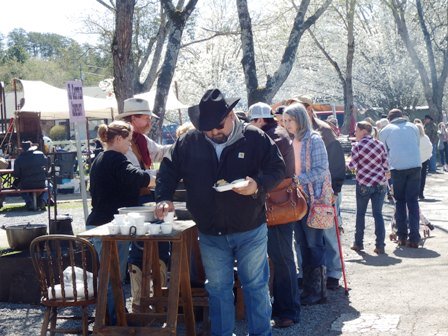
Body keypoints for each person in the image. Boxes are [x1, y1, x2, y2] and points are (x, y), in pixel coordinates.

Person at [155, 88, 285, 336]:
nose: (214, 133)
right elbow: (168, 170)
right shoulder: (189, 141)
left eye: (218, 126)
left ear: (231, 115)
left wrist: (257, 185)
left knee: (255, 285)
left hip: (250, 227)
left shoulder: (255, 137)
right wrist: (163, 198)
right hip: (210, 230)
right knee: (217, 288)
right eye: (208, 129)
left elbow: (277, 168)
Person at [86, 120, 152, 323]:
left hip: (101, 223)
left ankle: (114, 315)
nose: (130, 145)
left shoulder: (101, 158)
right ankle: (113, 320)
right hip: (108, 226)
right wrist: (155, 177)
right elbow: (137, 177)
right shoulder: (115, 158)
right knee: (111, 275)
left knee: (110, 274)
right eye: (128, 140)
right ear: (117, 139)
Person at [114, 97, 172, 312]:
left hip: (144, 198)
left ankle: (156, 298)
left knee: (158, 245)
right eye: (145, 117)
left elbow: (160, 152)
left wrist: (182, 144)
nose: (149, 121)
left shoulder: (142, 140)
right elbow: (134, 176)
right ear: (133, 118)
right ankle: (140, 301)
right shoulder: (126, 143)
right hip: (132, 201)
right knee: (139, 248)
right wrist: (156, 175)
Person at [247, 102, 300, 328]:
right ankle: (283, 308)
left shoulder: (274, 137)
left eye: (251, 122)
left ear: (259, 120)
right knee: (280, 258)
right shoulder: (275, 133)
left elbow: (266, 170)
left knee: (282, 259)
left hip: (277, 204)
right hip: (276, 203)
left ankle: (287, 310)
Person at [293, 96, 346, 292]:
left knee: (329, 233)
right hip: (302, 195)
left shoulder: (323, 130)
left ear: (307, 109)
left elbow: (335, 162)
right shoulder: (293, 132)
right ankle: (307, 275)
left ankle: (333, 273)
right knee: (304, 239)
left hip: (325, 191)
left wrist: (336, 189)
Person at [283, 102, 331, 305]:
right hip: (296, 201)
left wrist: (297, 179)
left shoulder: (314, 140)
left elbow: (321, 169)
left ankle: (318, 291)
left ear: (300, 119)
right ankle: (308, 288)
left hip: (313, 199)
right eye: (284, 121)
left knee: (314, 245)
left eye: (289, 120)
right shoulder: (290, 140)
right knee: (302, 244)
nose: (286, 124)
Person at [379, 109, 421, 248]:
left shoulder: (385, 130)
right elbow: (417, 145)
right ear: (402, 117)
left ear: (390, 119)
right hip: (415, 167)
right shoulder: (413, 127)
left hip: (397, 169)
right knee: (413, 201)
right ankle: (414, 237)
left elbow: (383, 152)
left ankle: (402, 236)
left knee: (400, 202)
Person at [348, 121, 389, 254]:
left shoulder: (357, 146)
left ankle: (358, 243)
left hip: (364, 184)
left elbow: (352, 166)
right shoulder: (380, 144)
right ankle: (380, 245)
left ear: (363, 131)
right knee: (378, 214)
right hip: (380, 184)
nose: (355, 133)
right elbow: (386, 165)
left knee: (361, 214)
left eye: (356, 130)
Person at [13, 141, 49, 211]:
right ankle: (42, 201)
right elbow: (47, 166)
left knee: (20, 187)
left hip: (26, 184)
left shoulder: (18, 159)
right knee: (49, 186)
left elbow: (16, 174)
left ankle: (29, 202)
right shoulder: (41, 154)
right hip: (41, 183)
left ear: (22, 149)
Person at [414, 123, 432, 200]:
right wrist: (427, 156)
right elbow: (429, 147)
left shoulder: (413, 138)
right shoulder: (426, 137)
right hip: (424, 160)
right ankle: (421, 193)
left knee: (414, 178)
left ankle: (415, 193)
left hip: (415, 161)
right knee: (423, 177)